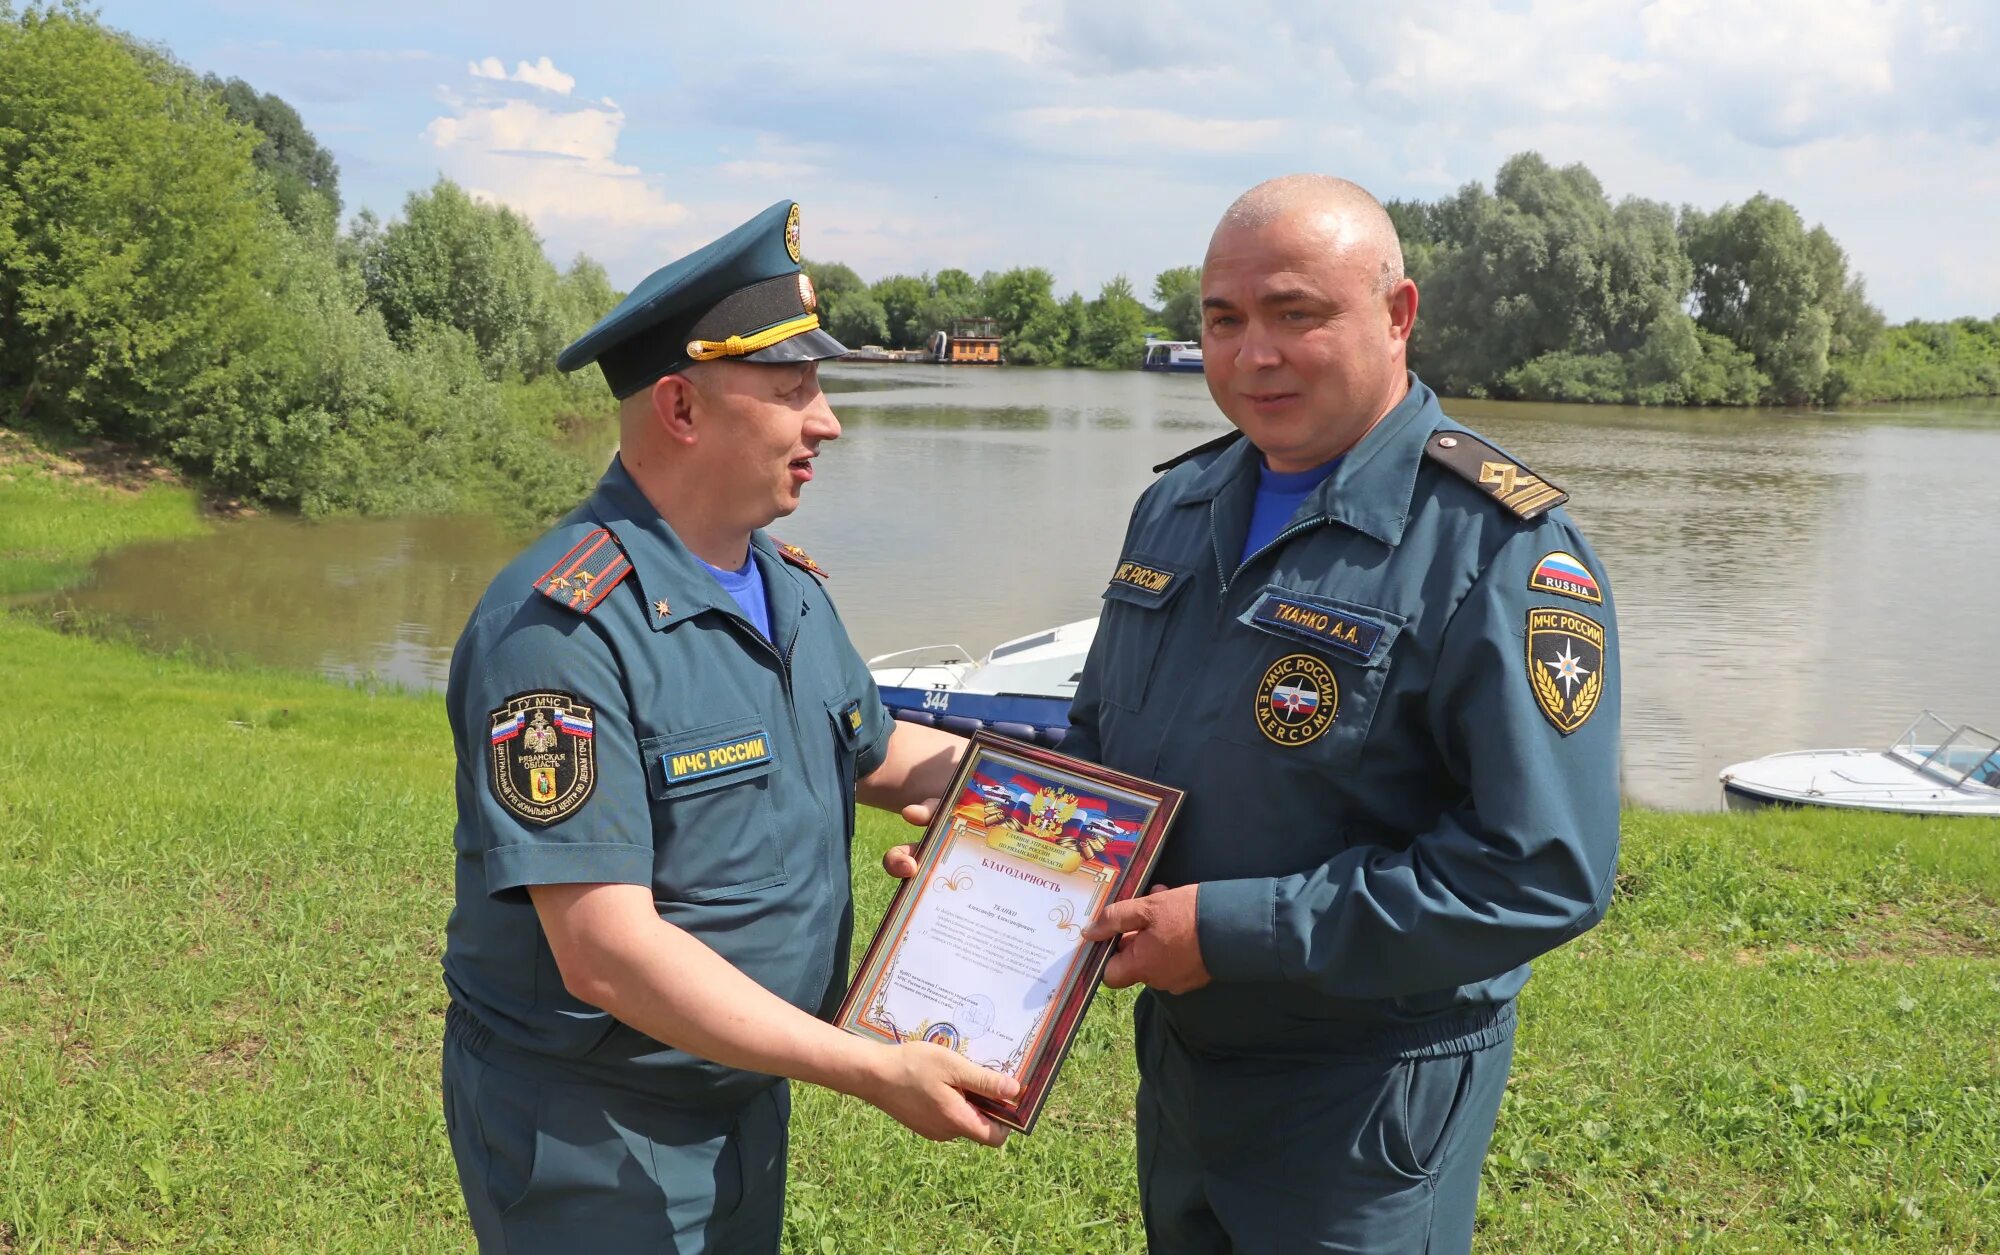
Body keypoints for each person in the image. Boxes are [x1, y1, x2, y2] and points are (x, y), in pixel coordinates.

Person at [895, 174, 1622, 1251]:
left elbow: (1540, 870)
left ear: (1396, 314)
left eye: (1295, 313)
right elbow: (1110, 752)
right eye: (1223, 319)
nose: (1251, 354)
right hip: (1185, 1060)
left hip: (1365, 1091)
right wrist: (1004, 859)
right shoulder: (1178, 505)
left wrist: (1230, 930)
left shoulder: (1496, 548)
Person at [440, 200, 1015, 1255]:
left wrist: (1060, 810)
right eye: (793, 391)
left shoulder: (782, 585)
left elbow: (877, 751)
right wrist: (873, 1067)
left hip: (742, 1090)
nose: (827, 422)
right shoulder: (558, 630)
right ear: (681, 408)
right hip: (592, 1124)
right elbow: (604, 951)